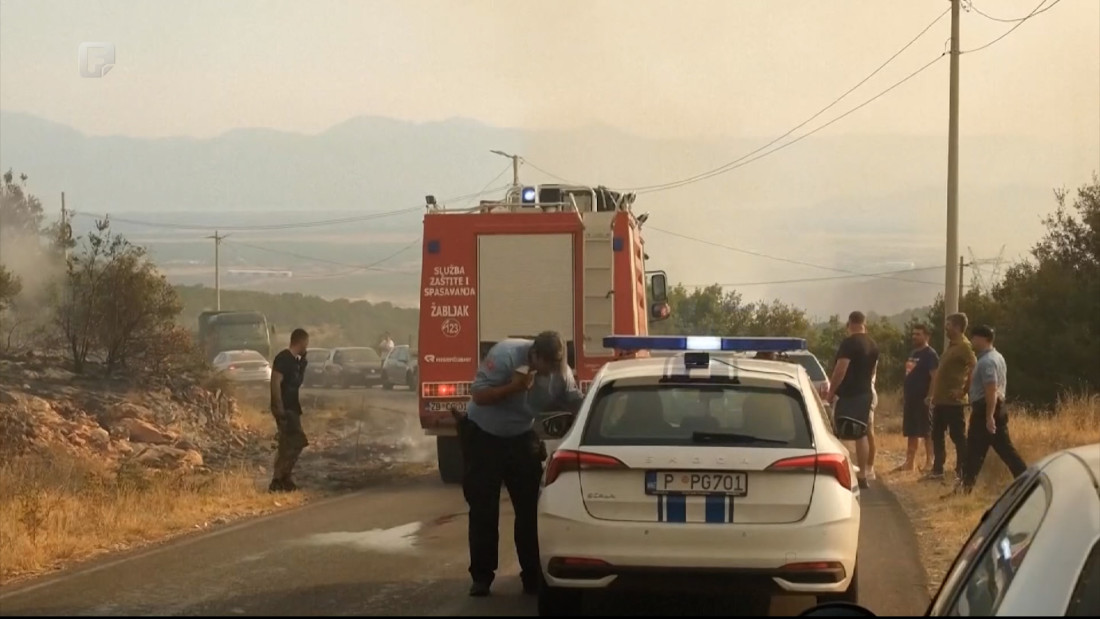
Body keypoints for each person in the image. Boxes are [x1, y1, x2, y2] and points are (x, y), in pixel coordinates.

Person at [460, 331, 585, 598]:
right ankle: (481, 577)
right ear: (534, 355)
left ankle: (531, 575)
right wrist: (514, 387)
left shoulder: (560, 372)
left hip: (520, 436)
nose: (550, 372)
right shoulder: (505, 354)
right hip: (484, 435)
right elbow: (479, 395)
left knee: (530, 510)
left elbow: (572, 398)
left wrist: (597, 410)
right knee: (484, 508)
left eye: (556, 366)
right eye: (546, 365)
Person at [957, 325, 1027, 494]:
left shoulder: (988, 361)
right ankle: (964, 488)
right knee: (980, 451)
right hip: (991, 409)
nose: (972, 341)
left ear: (983, 339)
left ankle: (1026, 481)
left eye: (974, 337)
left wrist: (989, 416)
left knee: (989, 451)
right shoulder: (996, 357)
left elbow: (991, 389)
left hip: (987, 410)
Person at [824, 311, 879, 489]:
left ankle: (839, 470)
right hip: (865, 393)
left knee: (837, 432)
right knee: (861, 433)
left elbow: (841, 369)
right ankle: (863, 474)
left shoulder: (849, 343)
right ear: (864, 324)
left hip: (848, 394)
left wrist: (831, 393)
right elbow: (872, 373)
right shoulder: (873, 345)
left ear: (849, 324)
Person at [924, 312, 976, 482]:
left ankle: (962, 470)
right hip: (941, 400)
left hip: (954, 403)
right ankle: (937, 469)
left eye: (948, 325)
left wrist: (963, 391)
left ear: (957, 327)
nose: (945, 328)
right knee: (937, 435)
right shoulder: (952, 346)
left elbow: (974, 368)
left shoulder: (964, 346)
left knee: (958, 436)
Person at [269, 328, 310, 492]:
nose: (307, 346)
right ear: (301, 342)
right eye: (306, 343)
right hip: (285, 408)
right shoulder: (283, 358)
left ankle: (284, 477)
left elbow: (297, 382)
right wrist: (278, 407)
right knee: (292, 443)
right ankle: (278, 479)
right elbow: (275, 383)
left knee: (291, 444)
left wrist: (303, 364)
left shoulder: (296, 361)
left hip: (293, 406)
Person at [895, 324, 939, 472]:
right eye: (913, 334)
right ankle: (909, 463)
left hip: (923, 399)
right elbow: (909, 374)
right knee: (911, 431)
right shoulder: (913, 353)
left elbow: (935, 377)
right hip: (911, 398)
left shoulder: (930, 354)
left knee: (927, 432)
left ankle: (930, 462)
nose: (915, 337)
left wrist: (930, 396)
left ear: (927, 336)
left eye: (918, 334)